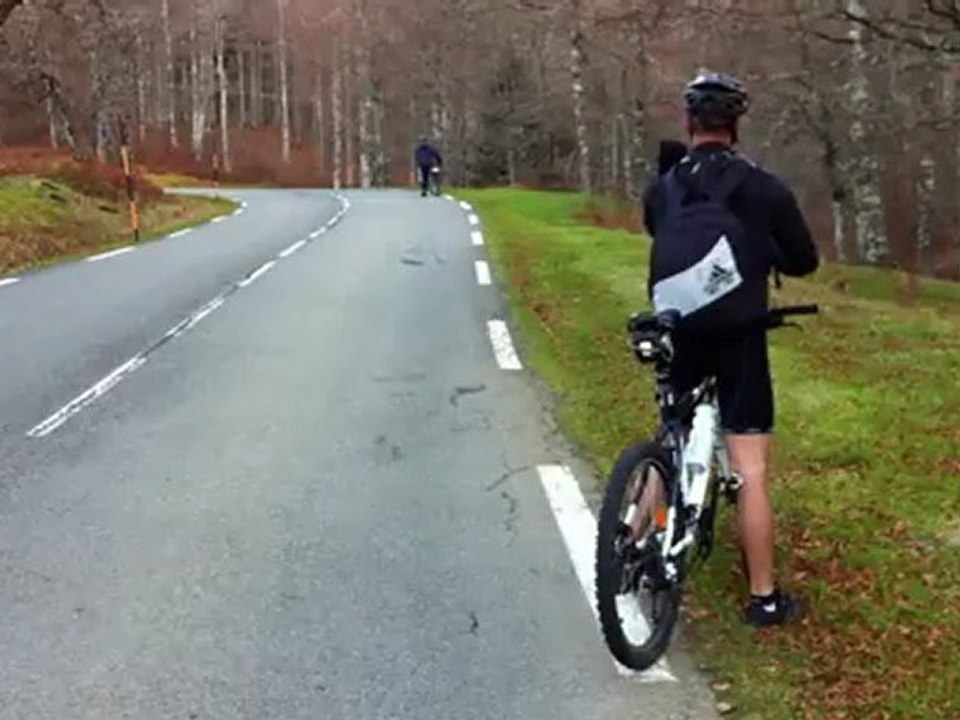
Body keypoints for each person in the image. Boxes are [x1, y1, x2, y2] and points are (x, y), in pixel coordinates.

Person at [642, 73, 820, 627]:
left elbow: (657, 231)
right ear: (736, 124)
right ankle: (763, 598)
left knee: (670, 433)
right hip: (740, 331)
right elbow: (804, 260)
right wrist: (761, 253)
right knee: (751, 467)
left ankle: (635, 539)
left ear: (689, 123)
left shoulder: (664, 186)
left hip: (676, 324)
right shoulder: (764, 188)